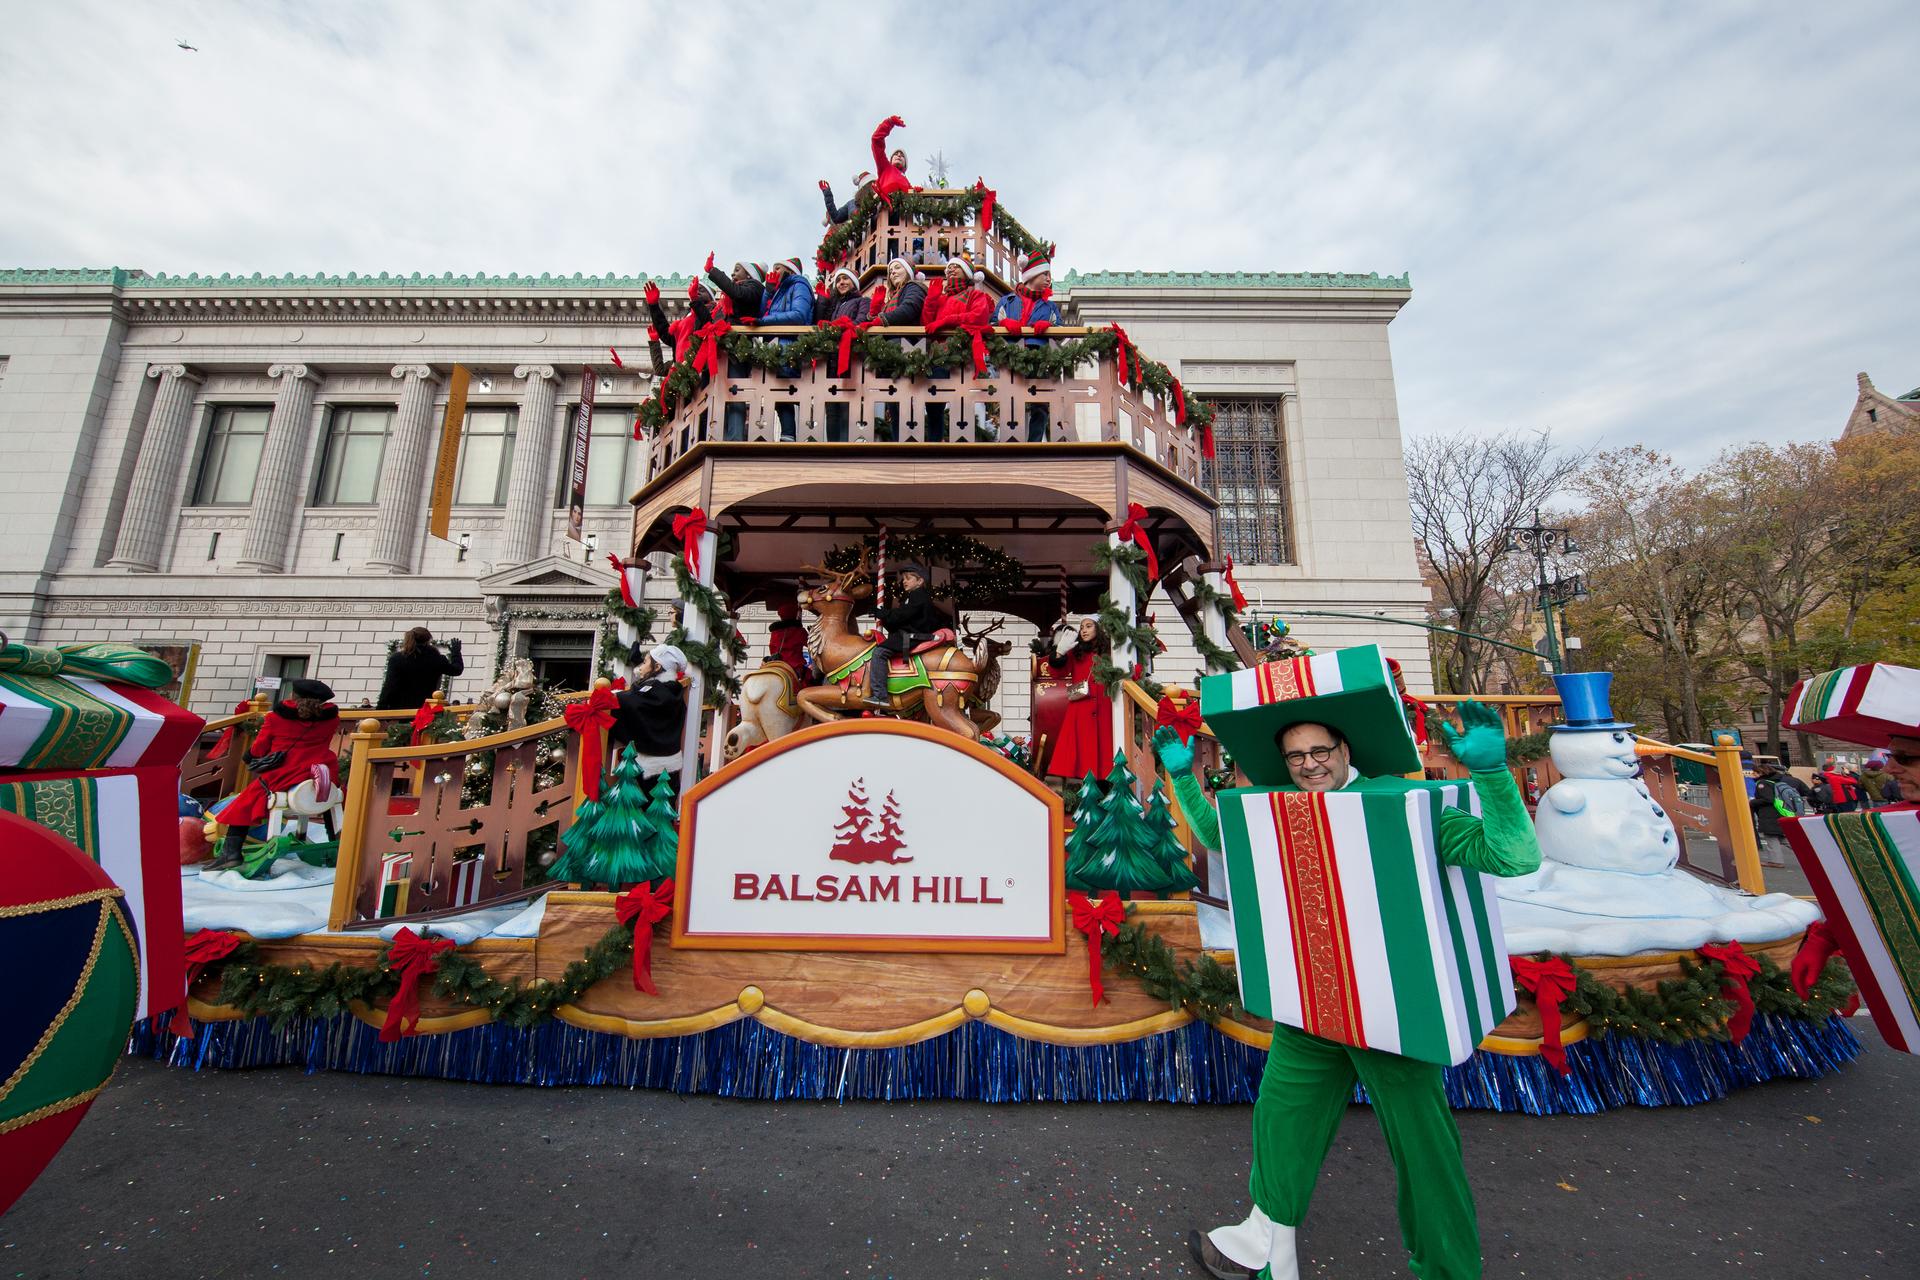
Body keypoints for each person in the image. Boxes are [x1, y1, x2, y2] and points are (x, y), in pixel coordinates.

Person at [1159, 700, 1541, 1280]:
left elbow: (1513, 856)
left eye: (1319, 752)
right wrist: (1183, 777)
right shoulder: (1280, 806)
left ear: (1344, 751)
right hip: (1310, 1000)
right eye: (1295, 757)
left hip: (1392, 1012)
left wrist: (1491, 774)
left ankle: (1447, 1270)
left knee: (1422, 1151)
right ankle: (1265, 1247)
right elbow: (1220, 834)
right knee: (1282, 1119)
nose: (1309, 765)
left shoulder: (1404, 803)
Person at [209, 678, 342, 869]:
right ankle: (334, 839)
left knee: (245, 802)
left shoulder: (275, 718)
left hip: (287, 773)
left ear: (293, 695)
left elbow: (259, 749)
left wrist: (249, 758)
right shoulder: (331, 719)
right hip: (322, 773)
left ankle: (231, 853)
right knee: (330, 796)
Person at [862, 562, 946, 709]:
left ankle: (880, 696)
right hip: (909, 633)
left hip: (912, 636)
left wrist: (883, 613)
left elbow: (902, 615)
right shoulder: (914, 596)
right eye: (903, 578)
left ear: (919, 581)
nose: (904, 581)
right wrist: (885, 617)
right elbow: (901, 619)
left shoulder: (918, 595)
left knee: (879, 653)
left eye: (908, 578)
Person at [1042, 617, 1114, 781]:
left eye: (1089, 626)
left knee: (1104, 750)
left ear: (1098, 628)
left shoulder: (1110, 652)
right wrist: (1059, 652)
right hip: (1081, 708)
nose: (1084, 630)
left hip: (1105, 707)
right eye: (1082, 627)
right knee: (1082, 750)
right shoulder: (1077, 652)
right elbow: (1057, 673)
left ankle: (1104, 785)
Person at [609, 644, 690, 780]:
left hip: (648, 771)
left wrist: (613, 696)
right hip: (667, 768)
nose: (641, 667)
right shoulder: (672, 689)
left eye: (646, 662)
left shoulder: (656, 691)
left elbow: (633, 703)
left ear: (657, 667)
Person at [377, 627, 463, 710]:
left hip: (400, 708)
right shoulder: (436, 659)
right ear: (428, 640)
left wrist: (381, 708)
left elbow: (389, 685)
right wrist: (456, 653)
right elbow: (456, 670)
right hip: (425, 709)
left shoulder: (397, 658)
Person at [993, 247, 1062, 346]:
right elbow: (991, 326)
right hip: (1010, 356)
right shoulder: (1006, 302)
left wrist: (1049, 326)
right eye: (1045, 274)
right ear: (1032, 275)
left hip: (1039, 357)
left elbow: (1061, 331)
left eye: (1049, 276)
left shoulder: (1050, 306)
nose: (1049, 279)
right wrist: (1004, 323)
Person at [644, 275, 715, 365]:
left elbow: (707, 323)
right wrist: (654, 306)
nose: (698, 292)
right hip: (682, 369)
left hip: (699, 365)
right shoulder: (686, 318)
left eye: (701, 290)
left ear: (711, 297)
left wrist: (694, 299)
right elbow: (668, 337)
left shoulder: (714, 311)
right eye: (695, 289)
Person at [1752, 761, 1810, 863]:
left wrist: (1752, 802)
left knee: (1771, 836)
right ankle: (1810, 854)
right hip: (1781, 811)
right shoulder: (1776, 781)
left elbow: (1768, 799)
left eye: (1755, 773)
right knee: (1783, 837)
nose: (1753, 775)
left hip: (1769, 814)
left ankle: (1776, 861)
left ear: (1761, 773)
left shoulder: (1762, 784)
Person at [757, 258, 817, 325]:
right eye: (773, 270)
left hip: (795, 334)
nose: (773, 273)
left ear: (791, 272)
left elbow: (799, 316)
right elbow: (762, 315)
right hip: (778, 334)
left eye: (777, 269)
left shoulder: (800, 286)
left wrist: (763, 320)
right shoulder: (779, 291)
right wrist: (767, 292)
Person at [705, 255, 766, 321]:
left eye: (737, 270)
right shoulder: (730, 294)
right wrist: (695, 301)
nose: (732, 274)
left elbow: (738, 294)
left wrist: (713, 271)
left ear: (749, 275)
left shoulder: (755, 286)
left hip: (741, 330)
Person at [869, 258, 927, 326]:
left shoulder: (914, 286)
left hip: (907, 335)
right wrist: (875, 310)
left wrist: (882, 319)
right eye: (890, 272)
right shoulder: (891, 299)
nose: (893, 272)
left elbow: (909, 309)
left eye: (897, 268)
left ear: (908, 272)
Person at [869, 115, 913, 202]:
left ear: (905, 163)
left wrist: (916, 191)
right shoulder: (885, 167)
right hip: (885, 208)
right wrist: (890, 122)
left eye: (902, 155)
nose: (899, 155)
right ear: (891, 159)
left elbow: (911, 193)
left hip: (902, 212)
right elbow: (876, 140)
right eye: (896, 154)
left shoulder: (906, 181)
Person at [767, 597, 811, 676]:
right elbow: (810, 645)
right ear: (794, 614)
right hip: (794, 666)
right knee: (809, 678)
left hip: (776, 664)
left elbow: (771, 647)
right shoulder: (799, 631)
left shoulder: (775, 632)